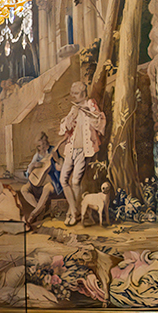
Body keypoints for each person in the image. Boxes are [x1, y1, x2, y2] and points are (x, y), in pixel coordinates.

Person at [57, 80, 106, 225]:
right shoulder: (74, 108)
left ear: (83, 93)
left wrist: (90, 115)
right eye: (72, 94)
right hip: (71, 148)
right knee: (63, 180)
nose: (73, 96)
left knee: (75, 181)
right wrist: (69, 121)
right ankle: (74, 211)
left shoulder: (90, 104)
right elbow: (64, 127)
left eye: (76, 94)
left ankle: (73, 213)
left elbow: (100, 122)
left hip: (83, 150)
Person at [17, 131, 62, 224]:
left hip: (52, 181)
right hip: (38, 181)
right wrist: (33, 166)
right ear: (37, 146)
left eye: (44, 144)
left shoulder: (54, 151)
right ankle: (39, 208)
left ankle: (34, 214)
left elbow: (62, 167)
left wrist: (57, 159)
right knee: (24, 189)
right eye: (40, 146)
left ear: (47, 142)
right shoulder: (37, 155)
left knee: (47, 188)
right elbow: (28, 174)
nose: (43, 147)